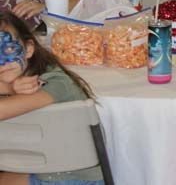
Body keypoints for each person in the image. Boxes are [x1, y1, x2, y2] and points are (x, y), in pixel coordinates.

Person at [0, 11, 103, 185]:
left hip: (74, 179)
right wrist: (8, 87)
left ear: (29, 49)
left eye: (9, 48)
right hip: (39, 170)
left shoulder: (55, 82)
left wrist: (7, 88)